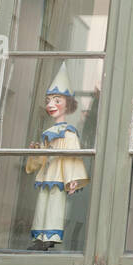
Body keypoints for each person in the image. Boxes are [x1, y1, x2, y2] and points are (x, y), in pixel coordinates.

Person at [26, 64, 88, 250]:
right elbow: (41, 159)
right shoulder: (48, 131)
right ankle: (40, 236)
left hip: (58, 175)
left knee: (54, 205)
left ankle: (50, 236)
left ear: (67, 104)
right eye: (49, 100)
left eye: (56, 100)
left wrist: (72, 180)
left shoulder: (69, 132)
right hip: (47, 173)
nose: (51, 104)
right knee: (42, 204)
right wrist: (36, 152)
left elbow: (72, 156)